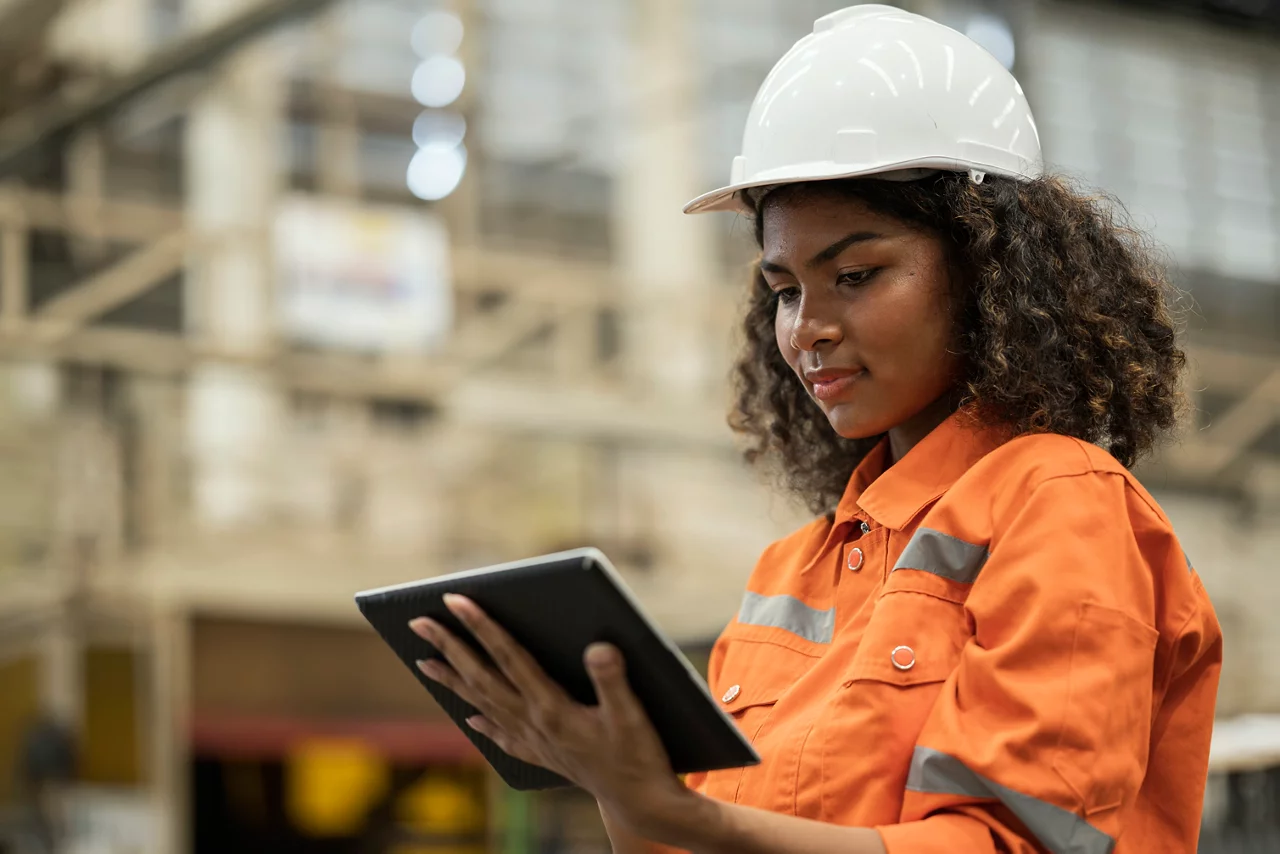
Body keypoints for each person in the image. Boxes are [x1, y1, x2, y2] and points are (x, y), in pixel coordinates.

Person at [407, 5, 1222, 853]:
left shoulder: (1059, 502)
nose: (805, 329)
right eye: (785, 288)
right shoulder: (790, 574)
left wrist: (686, 815)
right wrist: (618, 786)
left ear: (990, 270)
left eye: (856, 275)